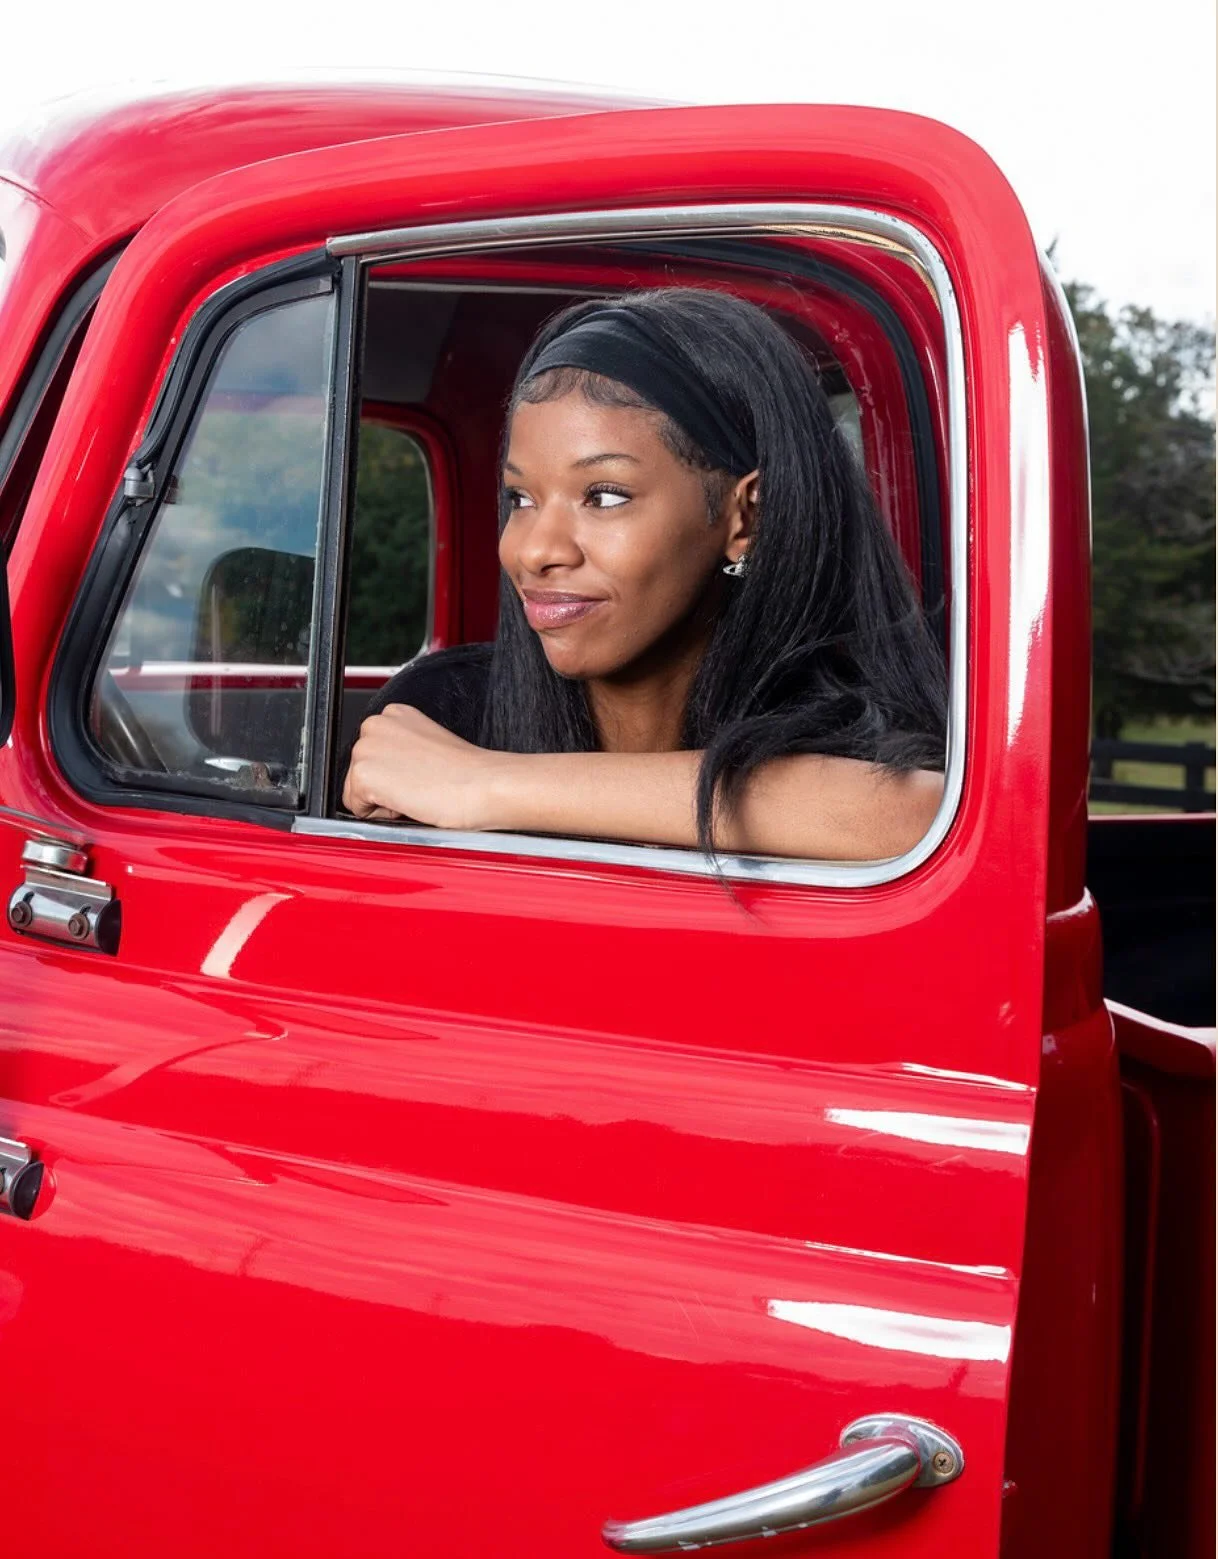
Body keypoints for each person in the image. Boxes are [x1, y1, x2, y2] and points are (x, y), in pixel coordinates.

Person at [342, 287, 947, 861]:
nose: (533, 552)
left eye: (603, 497)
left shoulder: (843, 725)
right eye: (521, 499)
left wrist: (489, 784)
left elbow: (920, 815)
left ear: (744, 517)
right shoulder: (443, 709)